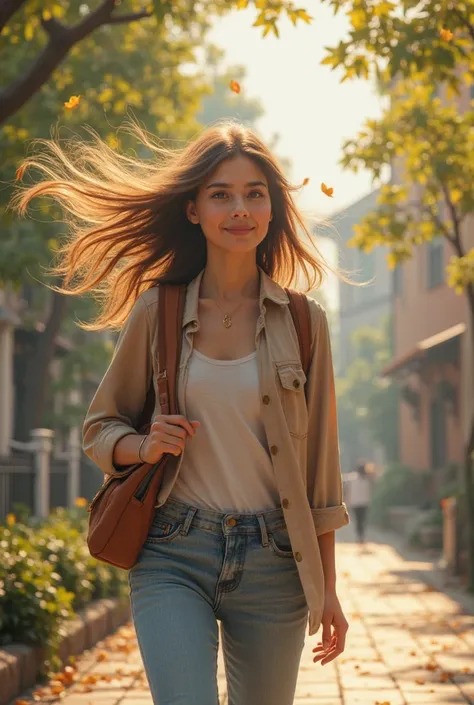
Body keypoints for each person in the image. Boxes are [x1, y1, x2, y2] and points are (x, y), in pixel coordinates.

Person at [13, 120, 350, 705]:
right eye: (220, 194)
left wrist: (328, 589)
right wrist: (144, 445)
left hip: (274, 561)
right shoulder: (158, 310)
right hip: (173, 550)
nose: (239, 208)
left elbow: (322, 470)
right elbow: (99, 429)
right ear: (193, 209)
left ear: (272, 209)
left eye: (254, 194)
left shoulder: (303, 322)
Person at [345, 462, 374, 544]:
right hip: (361, 503)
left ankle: (360, 535)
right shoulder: (358, 479)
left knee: (360, 520)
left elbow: (347, 491)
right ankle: (360, 535)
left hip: (358, 502)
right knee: (361, 519)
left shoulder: (353, 478)